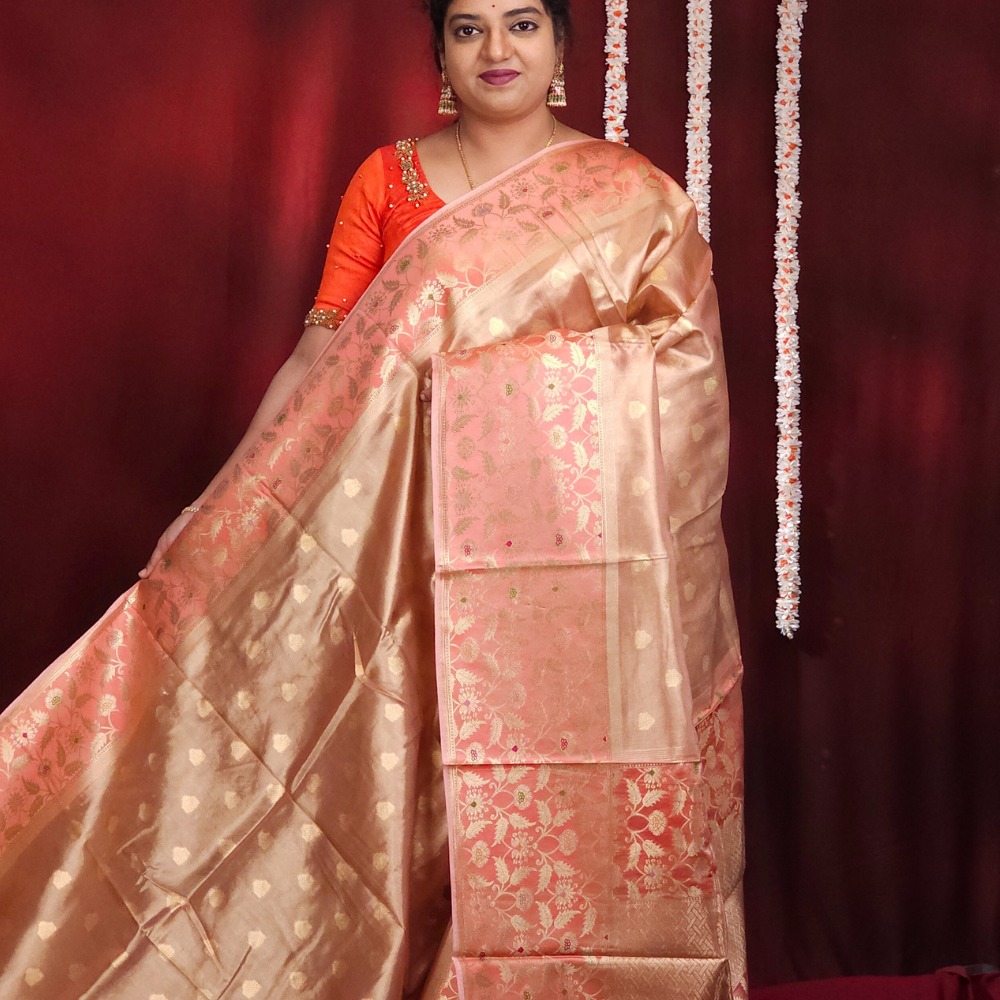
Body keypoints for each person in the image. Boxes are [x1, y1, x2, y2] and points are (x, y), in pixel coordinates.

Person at [0, 1, 746, 998]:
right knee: (399, 765)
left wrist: (495, 399)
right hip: (392, 552)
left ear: (562, 47)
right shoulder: (387, 180)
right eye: (468, 28)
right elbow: (320, 359)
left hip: (558, 566)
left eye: (523, 24)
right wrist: (222, 498)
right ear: (438, 51)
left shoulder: (632, 198)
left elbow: (682, 371)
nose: (497, 50)